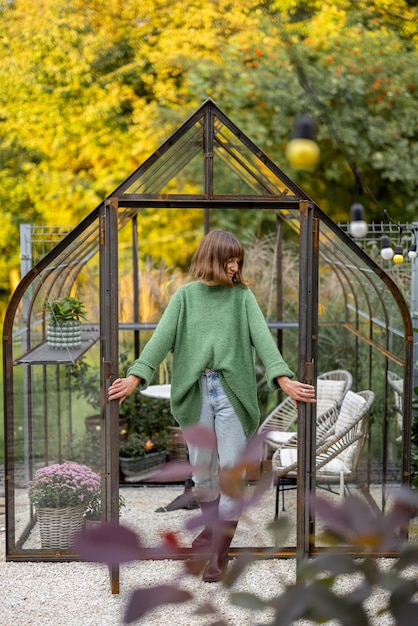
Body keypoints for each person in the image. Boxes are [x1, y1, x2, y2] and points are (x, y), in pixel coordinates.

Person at [108, 229, 316, 582]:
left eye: (238, 260)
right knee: (202, 469)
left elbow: (264, 341)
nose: (235, 266)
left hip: (231, 392)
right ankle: (214, 530)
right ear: (212, 259)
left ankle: (219, 553)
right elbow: (160, 341)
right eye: (230, 260)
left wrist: (284, 381)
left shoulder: (242, 297)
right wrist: (135, 377)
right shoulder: (185, 297)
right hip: (196, 393)